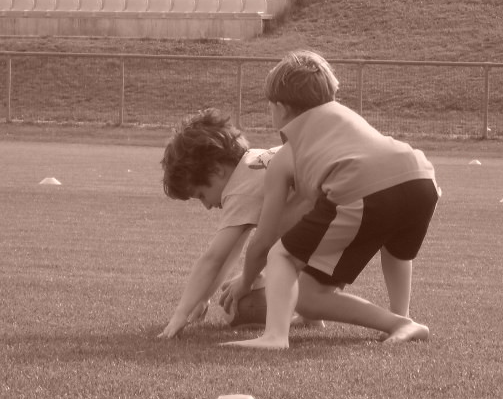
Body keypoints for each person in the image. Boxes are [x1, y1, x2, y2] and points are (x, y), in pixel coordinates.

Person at [219, 50, 439, 350]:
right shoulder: (341, 120)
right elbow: (316, 231)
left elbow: (266, 239)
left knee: (286, 264)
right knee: (396, 249)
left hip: (365, 189)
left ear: (281, 109)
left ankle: (275, 336)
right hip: (420, 180)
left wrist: (246, 280)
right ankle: (402, 315)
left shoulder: (290, 150)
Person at [157, 108, 314, 339]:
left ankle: (309, 309)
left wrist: (181, 313)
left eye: (201, 194)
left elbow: (214, 258)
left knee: (276, 255)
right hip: (339, 203)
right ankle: (311, 313)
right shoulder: (253, 161)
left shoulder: (240, 190)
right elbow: (230, 252)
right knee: (284, 246)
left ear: (217, 171)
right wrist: (202, 298)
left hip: (335, 213)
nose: (207, 206)